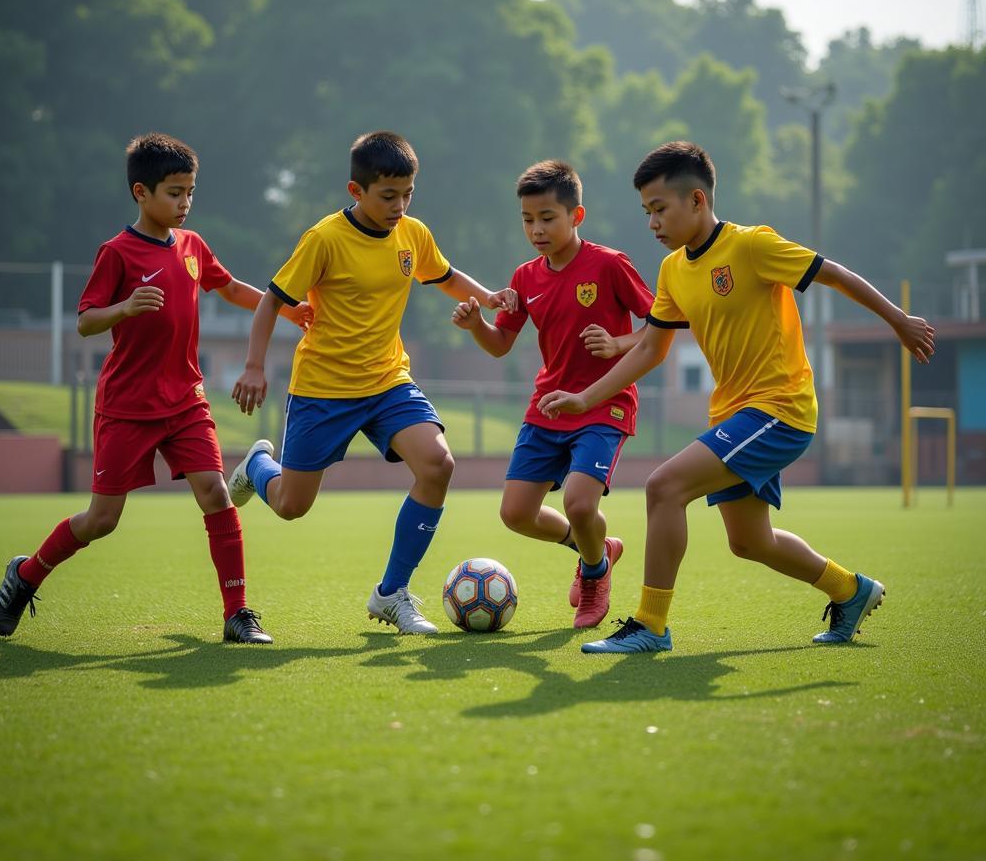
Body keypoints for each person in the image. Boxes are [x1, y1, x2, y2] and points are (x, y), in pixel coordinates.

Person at [539, 140, 935, 653]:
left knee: (663, 487)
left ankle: (650, 625)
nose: (652, 223)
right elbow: (650, 350)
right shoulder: (673, 271)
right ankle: (851, 590)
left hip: (780, 408)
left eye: (660, 209)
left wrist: (898, 322)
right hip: (734, 413)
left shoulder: (751, 246)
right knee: (749, 541)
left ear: (698, 201)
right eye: (646, 212)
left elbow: (833, 273)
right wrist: (584, 398)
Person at [0, 133, 311, 644]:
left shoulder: (192, 245)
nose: (184, 203)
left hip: (186, 398)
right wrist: (124, 307)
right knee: (102, 519)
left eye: (190, 192)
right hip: (127, 406)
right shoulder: (116, 253)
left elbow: (227, 287)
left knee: (216, 494)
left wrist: (289, 309)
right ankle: (26, 574)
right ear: (141, 192)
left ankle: (238, 613)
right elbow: (86, 322)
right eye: (174, 192)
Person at [228, 130, 516, 635]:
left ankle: (390, 594)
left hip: (387, 381)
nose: (400, 206)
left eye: (408, 194)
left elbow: (443, 275)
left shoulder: (413, 234)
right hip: (323, 388)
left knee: (437, 464)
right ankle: (258, 465)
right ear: (355, 191)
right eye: (388, 196)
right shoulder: (324, 239)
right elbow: (272, 300)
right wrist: (254, 366)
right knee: (293, 507)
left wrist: (488, 296)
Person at [451, 160, 654, 628]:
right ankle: (595, 548)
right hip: (547, 408)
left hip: (605, 403)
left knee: (580, 504)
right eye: (527, 219)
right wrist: (477, 325)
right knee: (516, 513)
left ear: (576, 217)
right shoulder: (524, 277)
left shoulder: (610, 264)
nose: (536, 229)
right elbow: (501, 345)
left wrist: (619, 343)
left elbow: (661, 326)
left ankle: (593, 574)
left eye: (547, 218)